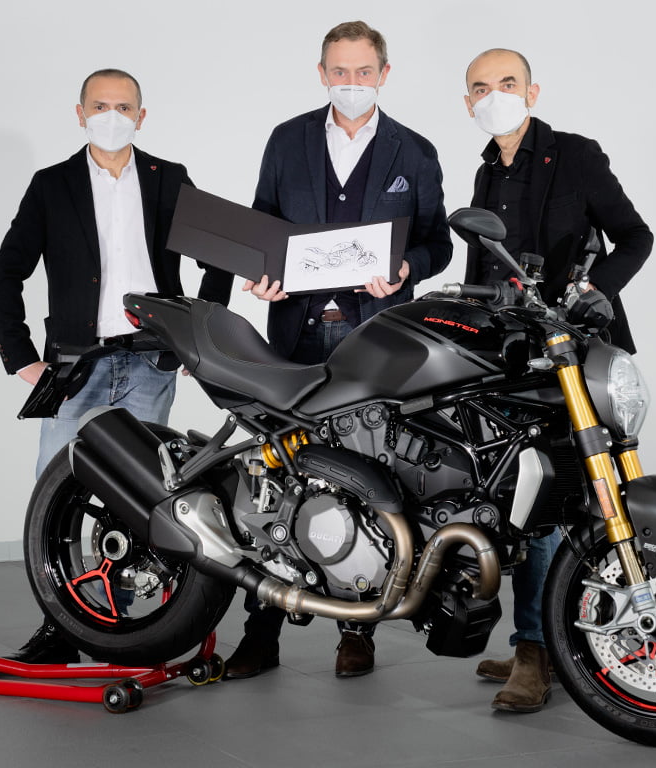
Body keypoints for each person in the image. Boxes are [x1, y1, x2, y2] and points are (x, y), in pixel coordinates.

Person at [227, 20, 452, 679]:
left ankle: (358, 632)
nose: (351, 83)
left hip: (375, 340)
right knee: (274, 480)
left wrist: (407, 269)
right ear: (322, 73)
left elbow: (438, 242)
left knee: (369, 479)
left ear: (383, 74)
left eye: (363, 71)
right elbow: (263, 223)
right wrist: (262, 274)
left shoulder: (415, 151)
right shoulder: (287, 140)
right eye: (339, 71)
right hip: (295, 335)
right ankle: (260, 633)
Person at [0, 68, 233, 664]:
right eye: (100, 106)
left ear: (141, 117)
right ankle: (61, 629)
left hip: (149, 360)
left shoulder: (169, 179)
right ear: (80, 114)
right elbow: (5, 272)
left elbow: (219, 256)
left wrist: (195, 338)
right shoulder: (52, 185)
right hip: (76, 364)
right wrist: (22, 360)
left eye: (124, 107)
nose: (112, 116)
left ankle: (123, 624)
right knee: (57, 498)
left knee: (136, 496)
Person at [462, 48, 653, 712]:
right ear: (468, 102)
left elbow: (635, 237)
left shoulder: (574, 155)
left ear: (532, 91)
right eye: (481, 87)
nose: (495, 96)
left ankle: (541, 652)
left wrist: (596, 291)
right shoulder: (485, 172)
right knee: (518, 503)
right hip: (511, 358)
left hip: (576, 354)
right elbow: (486, 269)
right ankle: (540, 639)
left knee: (568, 502)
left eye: (507, 83)